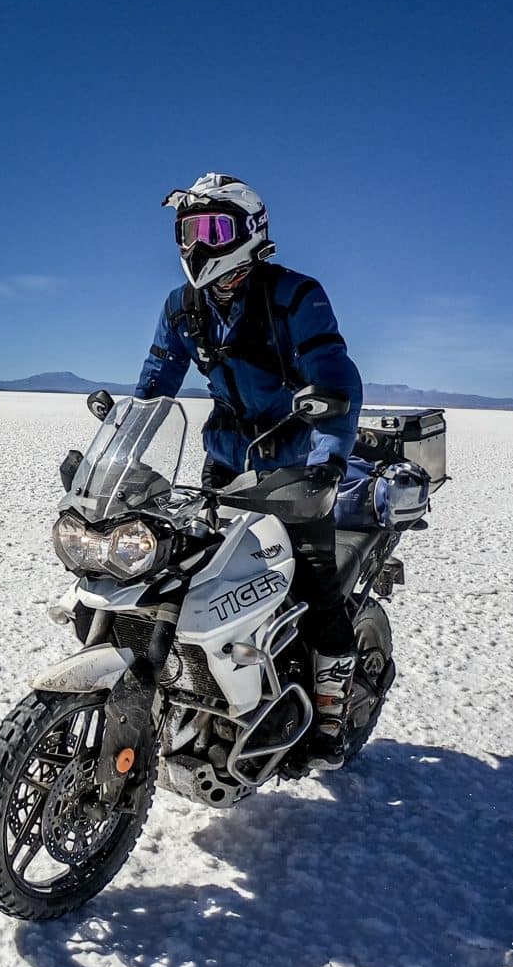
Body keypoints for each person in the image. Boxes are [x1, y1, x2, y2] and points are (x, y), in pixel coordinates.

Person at [131, 173, 365, 763]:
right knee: (189, 578)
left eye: (214, 229)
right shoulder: (184, 307)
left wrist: (326, 464)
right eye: (188, 229)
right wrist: (121, 453)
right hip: (224, 462)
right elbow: (155, 385)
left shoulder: (294, 296)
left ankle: (332, 706)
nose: (197, 244)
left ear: (249, 232)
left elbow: (337, 380)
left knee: (316, 582)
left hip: (295, 471)